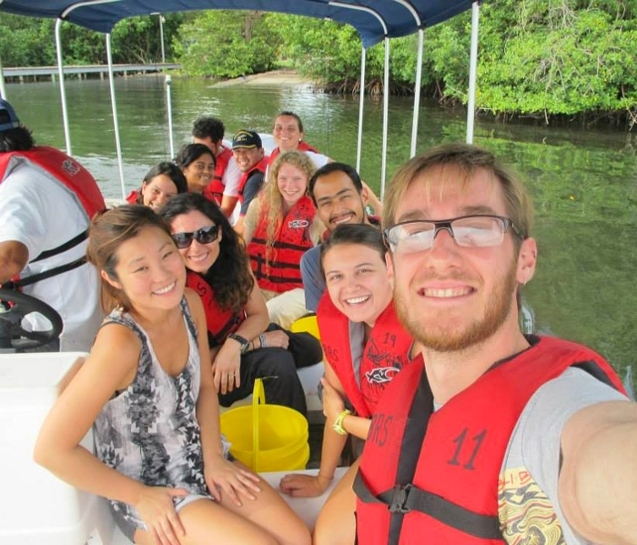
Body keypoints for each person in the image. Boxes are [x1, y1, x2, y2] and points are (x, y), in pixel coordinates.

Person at [353, 143, 634, 544]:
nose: (441, 255)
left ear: (525, 260)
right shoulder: (410, 390)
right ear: (391, 269)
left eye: (476, 228)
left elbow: (611, 466)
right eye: (415, 233)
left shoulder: (561, 414)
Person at [34, 206, 311, 545]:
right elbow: (51, 450)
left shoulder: (188, 303)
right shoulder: (120, 343)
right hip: (149, 487)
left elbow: (206, 390)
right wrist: (139, 496)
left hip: (202, 457)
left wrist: (213, 459)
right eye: (141, 268)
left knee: (298, 539)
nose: (163, 275)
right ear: (112, 278)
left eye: (167, 255)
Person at [280, 224, 413, 545]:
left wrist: (343, 419)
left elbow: (413, 433)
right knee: (328, 539)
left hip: (429, 460)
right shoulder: (336, 321)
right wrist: (323, 478)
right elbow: (334, 398)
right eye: (336, 276)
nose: (349, 287)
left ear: (391, 269)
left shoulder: (422, 326)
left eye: (363, 271)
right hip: (379, 456)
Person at [161, 193, 322, 416]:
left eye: (205, 234)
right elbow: (185, 361)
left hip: (238, 339)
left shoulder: (232, 260)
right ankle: (286, 441)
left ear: (218, 233)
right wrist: (259, 343)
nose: (196, 248)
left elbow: (258, 314)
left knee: (311, 348)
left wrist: (236, 344)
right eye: (182, 239)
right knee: (277, 362)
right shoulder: (168, 287)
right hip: (208, 372)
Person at [0, 97, 104, 352]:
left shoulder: (18, 190)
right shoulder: (40, 170)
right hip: (91, 306)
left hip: (57, 328)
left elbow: (9, 260)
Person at [244, 150, 324, 329]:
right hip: (259, 287)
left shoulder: (319, 211)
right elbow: (242, 250)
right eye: (283, 178)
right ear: (275, 179)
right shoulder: (258, 206)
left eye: (297, 179)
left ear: (308, 180)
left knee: (269, 314)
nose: (290, 185)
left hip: (301, 292)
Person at [302, 162, 383, 312]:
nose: (338, 209)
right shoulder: (312, 261)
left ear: (364, 196)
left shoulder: (397, 246)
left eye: (344, 197)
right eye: (326, 203)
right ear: (318, 211)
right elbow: (322, 319)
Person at [192, 116, 242, 219]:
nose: (199, 152)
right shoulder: (189, 157)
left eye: (205, 148)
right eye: (196, 146)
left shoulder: (232, 164)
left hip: (217, 219)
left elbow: (226, 209)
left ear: (218, 143)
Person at [230, 130, 267, 236]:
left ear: (261, 152)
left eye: (248, 150)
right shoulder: (265, 169)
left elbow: (243, 227)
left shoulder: (255, 181)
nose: (242, 156)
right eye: (237, 151)